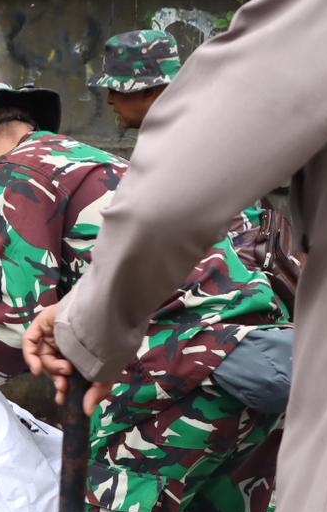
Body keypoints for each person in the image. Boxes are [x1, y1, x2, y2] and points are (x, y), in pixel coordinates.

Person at [22, 0, 327, 512]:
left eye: (116, 94)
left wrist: (86, 332)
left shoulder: (57, 173)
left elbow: (166, 214)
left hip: (209, 371)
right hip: (277, 363)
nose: (108, 106)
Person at [0, 80, 289, 512]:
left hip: (175, 375)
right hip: (258, 366)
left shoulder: (12, 174)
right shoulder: (98, 164)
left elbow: (18, 326)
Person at [88, 28, 304, 312]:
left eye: (116, 89)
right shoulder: (197, 121)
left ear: (149, 91)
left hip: (234, 296)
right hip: (241, 284)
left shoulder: (177, 139)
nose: (109, 100)